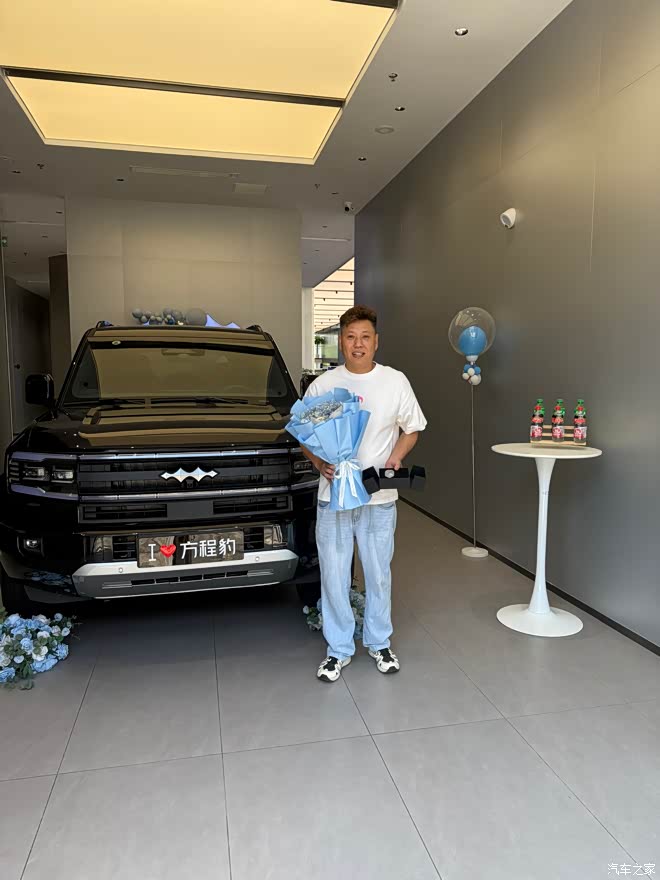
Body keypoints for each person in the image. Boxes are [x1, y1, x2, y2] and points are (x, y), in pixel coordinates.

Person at [302, 305, 427, 683]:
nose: (358, 344)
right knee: (334, 574)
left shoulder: (394, 381)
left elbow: (412, 428)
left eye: (365, 337)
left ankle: (378, 641)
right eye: (351, 337)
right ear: (340, 342)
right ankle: (338, 649)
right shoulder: (326, 386)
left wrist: (396, 456)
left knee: (378, 573)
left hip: (378, 496)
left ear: (376, 342)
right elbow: (305, 434)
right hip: (334, 496)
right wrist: (318, 462)